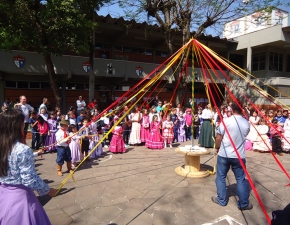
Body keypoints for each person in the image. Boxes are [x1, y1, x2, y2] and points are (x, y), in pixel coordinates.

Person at [0, 109, 56, 225]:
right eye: (22, 123)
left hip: (3, 195)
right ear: (18, 126)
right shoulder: (23, 149)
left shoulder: (4, 147)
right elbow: (29, 179)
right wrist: (47, 190)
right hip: (20, 199)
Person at [211, 103, 252, 210]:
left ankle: (222, 200)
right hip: (239, 156)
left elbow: (219, 137)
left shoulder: (226, 121)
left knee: (221, 177)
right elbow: (244, 135)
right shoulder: (246, 123)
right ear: (242, 109)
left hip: (224, 154)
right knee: (241, 179)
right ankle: (243, 204)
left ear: (232, 109)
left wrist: (217, 147)